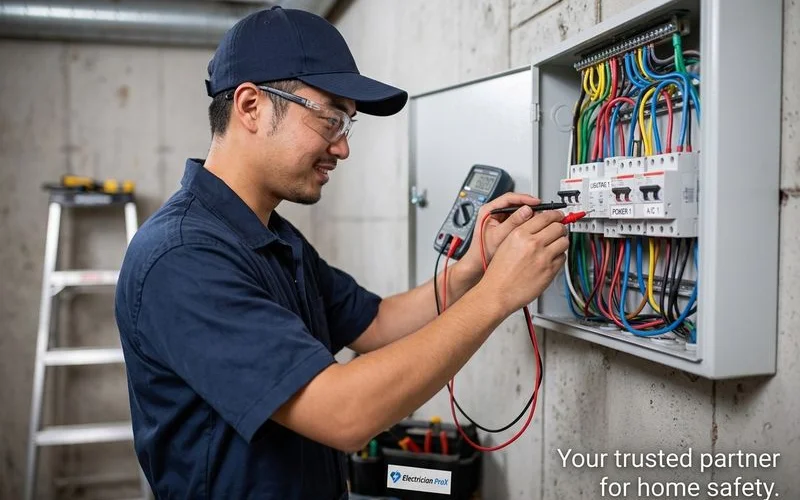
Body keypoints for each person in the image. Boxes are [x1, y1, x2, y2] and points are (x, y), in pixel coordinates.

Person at [114, 6, 568, 499]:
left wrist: (471, 271)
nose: (343, 148)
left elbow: (374, 323)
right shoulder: (182, 257)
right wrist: (497, 296)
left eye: (347, 126)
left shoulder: (271, 236)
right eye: (330, 119)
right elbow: (345, 413)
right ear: (251, 107)